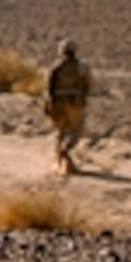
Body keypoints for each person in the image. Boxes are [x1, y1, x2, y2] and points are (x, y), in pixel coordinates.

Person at [44, 39, 93, 175]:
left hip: (57, 103)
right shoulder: (82, 67)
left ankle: (60, 164)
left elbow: (49, 87)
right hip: (75, 103)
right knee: (75, 131)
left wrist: (49, 104)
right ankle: (66, 154)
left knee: (60, 133)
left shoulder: (55, 67)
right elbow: (89, 83)